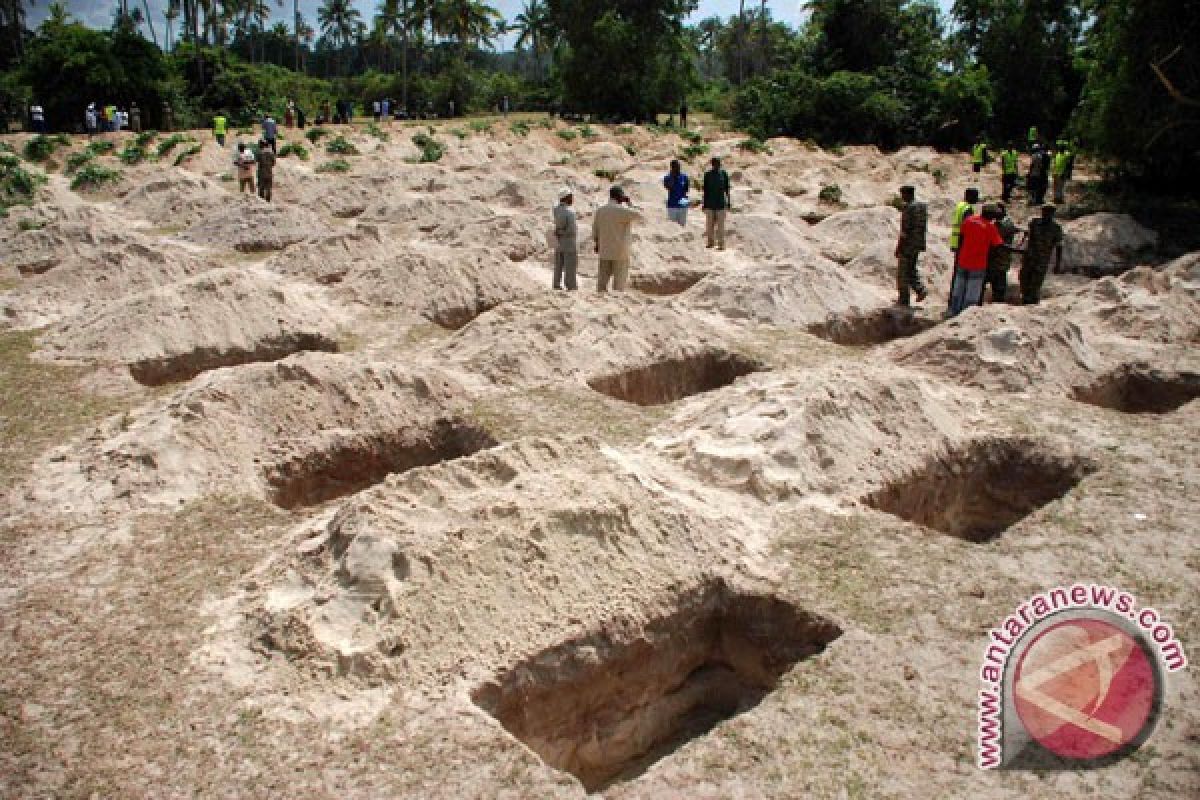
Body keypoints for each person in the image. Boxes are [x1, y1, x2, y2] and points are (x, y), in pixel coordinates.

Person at [949, 210, 1004, 316]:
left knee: (958, 289)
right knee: (972, 293)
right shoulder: (990, 227)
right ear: (991, 216)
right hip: (978, 265)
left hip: (963, 261)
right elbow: (998, 245)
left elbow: (961, 236)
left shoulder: (969, 220)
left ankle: (953, 311)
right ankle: (965, 316)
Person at [592, 186, 644, 292]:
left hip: (605, 250)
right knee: (619, 284)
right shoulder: (622, 210)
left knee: (602, 282)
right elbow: (640, 215)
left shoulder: (600, 210)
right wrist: (629, 203)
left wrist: (597, 244)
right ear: (619, 196)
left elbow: (595, 230)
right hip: (620, 252)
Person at [1020, 204, 1064, 305]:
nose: (1046, 214)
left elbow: (1059, 246)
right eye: (1045, 211)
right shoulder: (1034, 223)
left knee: (1036, 283)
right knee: (1024, 279)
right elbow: (1028, 237)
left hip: (1042, 260)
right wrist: (1022, 249)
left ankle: (1032, 303)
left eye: (1049, 212)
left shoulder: (1056, 228)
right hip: (1029, 257)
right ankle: (1025, 300)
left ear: (1053, 213)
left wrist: (1058, 264)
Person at [894, 185, 929, 307]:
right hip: (918, 243)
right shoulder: (922, 206)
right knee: (911, 268)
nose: (902, 197)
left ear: (907, 194)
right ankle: (920, 290)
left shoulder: (909, 208)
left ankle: (904, 299)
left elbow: (905, 231)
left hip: (908, 245)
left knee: (903, 272)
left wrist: (899, 247)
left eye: (903, 194)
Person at [983, 203, 1020, 304]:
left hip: (999, 260)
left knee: (998, 287)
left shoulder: (1004, 224)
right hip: (993, 260)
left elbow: (994, 239)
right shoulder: (999, 223)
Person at [702, 157, 732, 250]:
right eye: (715, 163)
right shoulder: (707, 175)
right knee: (709, 225)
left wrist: (729, 201)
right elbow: (705, 190)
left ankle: (721, 244)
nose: (717, 165)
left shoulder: (723, 174)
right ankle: (710, 242)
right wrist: (704, 203)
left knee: (721, 226)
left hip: (721, 203)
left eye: (718, 163)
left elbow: (727, 189)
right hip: (710, 203)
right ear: (712, 164)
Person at [552, 187, 578, 291]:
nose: (572, 199)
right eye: (571, 197)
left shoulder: (556, 209)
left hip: (558, 242)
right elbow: (571, 230)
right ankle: (571, 286)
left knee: (558, 265)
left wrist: (558, 232)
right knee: (570, 266)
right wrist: (562, 232)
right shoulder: (570, 212)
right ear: (566, 198)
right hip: (569, 243)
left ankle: (556, 284)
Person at [663, 159, 691, 226]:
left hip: (683, 203)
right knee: (672, 226)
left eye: (679, 166)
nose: (678, 168)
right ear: (672, 167)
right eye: (676, 166)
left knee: (682, 225)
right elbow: (668, 187)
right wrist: (673, 177)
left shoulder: (684, 177)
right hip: (672, 205)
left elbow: (686, 190)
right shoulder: (667, 178)